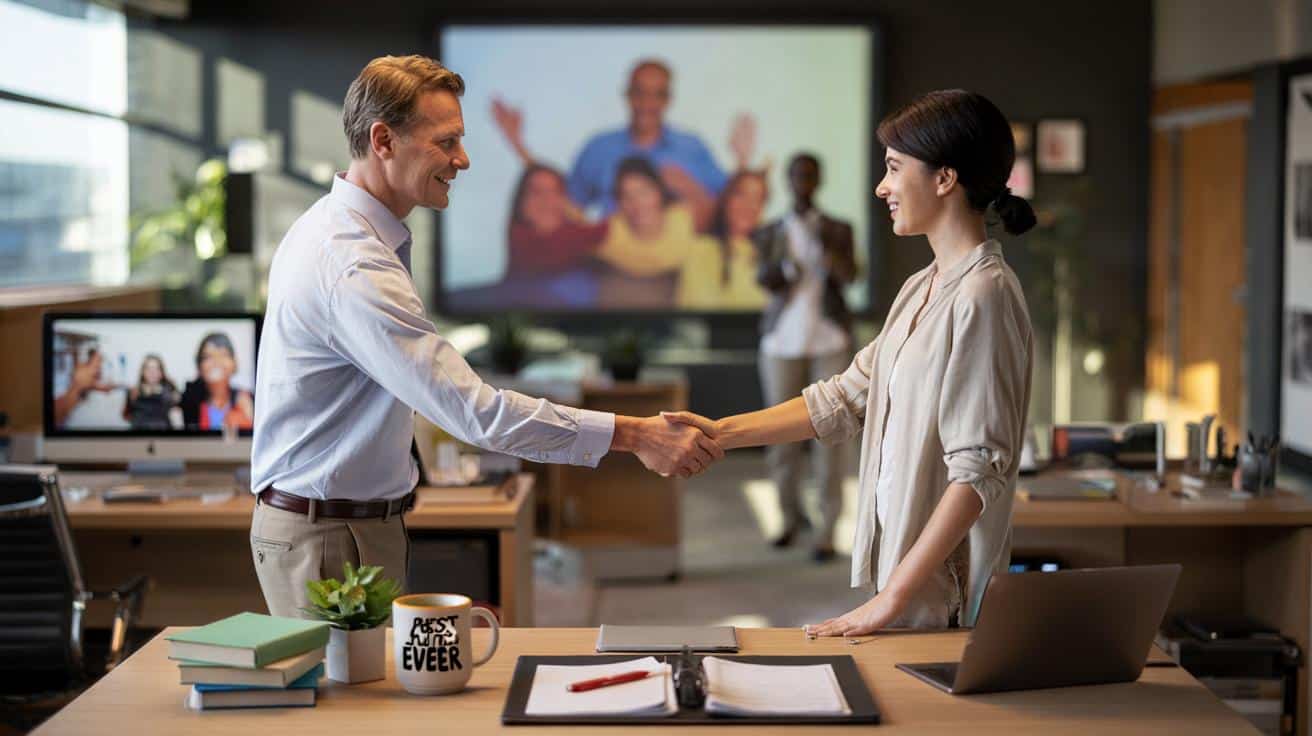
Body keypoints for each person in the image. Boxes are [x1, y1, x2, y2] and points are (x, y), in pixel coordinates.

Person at [250, 55, 722, 619]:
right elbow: (479, 414)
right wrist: (636, 434)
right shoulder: (353, 265)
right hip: (328, 536)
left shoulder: (340, 234)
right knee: (347, 708)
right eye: (446, 141)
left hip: (346, 527)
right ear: (383, 140)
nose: (462, 159)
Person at [666, 90, 1036, 634]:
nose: (881, 187)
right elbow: (842, 398)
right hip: (907, 591)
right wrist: (717, 433)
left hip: (941, 601)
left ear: (944, 178)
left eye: (893, 168)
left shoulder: (985, 295)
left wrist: (888, 604)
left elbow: (976, 471)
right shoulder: (921, 287)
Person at [751, 153, 858, 562]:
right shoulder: (771, 231)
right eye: (797, 176)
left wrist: (832, 260)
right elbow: (763, 278)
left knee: (833, 435)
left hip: (828, 340)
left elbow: (852, 275)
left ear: (820, 180)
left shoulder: (837, 229)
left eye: (811, 176)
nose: (804, 182)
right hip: (781, 342)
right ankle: (789, 519)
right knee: (779, 437)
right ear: (788, 180)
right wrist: (785, 268)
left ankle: (828, 530)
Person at [501, 59, 753, 218]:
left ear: (668, 100)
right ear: (627, 96)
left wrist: (741, 161)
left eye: (657, 95)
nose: (647, 104)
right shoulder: (599, 148)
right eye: (639, 93)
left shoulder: (692, 148)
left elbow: (727, 208)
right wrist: (520, 147)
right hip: (613, 273)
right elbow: (566, 205)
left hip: (680, 280)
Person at [677, 168, 771, 310]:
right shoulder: (698, 250)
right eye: (741, 195)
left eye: (757, 199)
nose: (748, 205)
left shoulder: (769, 256)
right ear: (726, 199)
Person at [179, 332, 254, 431]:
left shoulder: (247, 399)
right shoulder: (189, 402)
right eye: (208, 357)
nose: (216, 362)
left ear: (234, 363)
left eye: (223, 355)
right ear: (199, 366)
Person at [123, 354, 181, 430]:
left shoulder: (170, 391)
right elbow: (126, 415)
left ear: (161, 372)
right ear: (142, 371)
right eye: (148, 368)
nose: (152, 372)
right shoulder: (134, 392)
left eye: (156, 369)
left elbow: (177, 413)